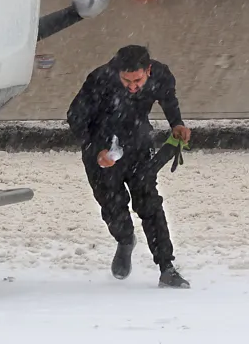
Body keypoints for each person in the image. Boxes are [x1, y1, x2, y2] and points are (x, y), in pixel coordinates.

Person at [66, 45, 193, 288]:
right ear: (117, 72)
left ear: (148, 70)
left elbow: (168, 98)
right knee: (114, 208)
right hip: (101, 148)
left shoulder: (161, 75)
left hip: (138, 144)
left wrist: (176, 123)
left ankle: (166, 267)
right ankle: (125, 240)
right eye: (127, 80)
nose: (133, 86)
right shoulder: (99, 79)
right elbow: (75, 117)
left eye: (138, 80)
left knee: (150, 204)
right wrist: (96, 150)